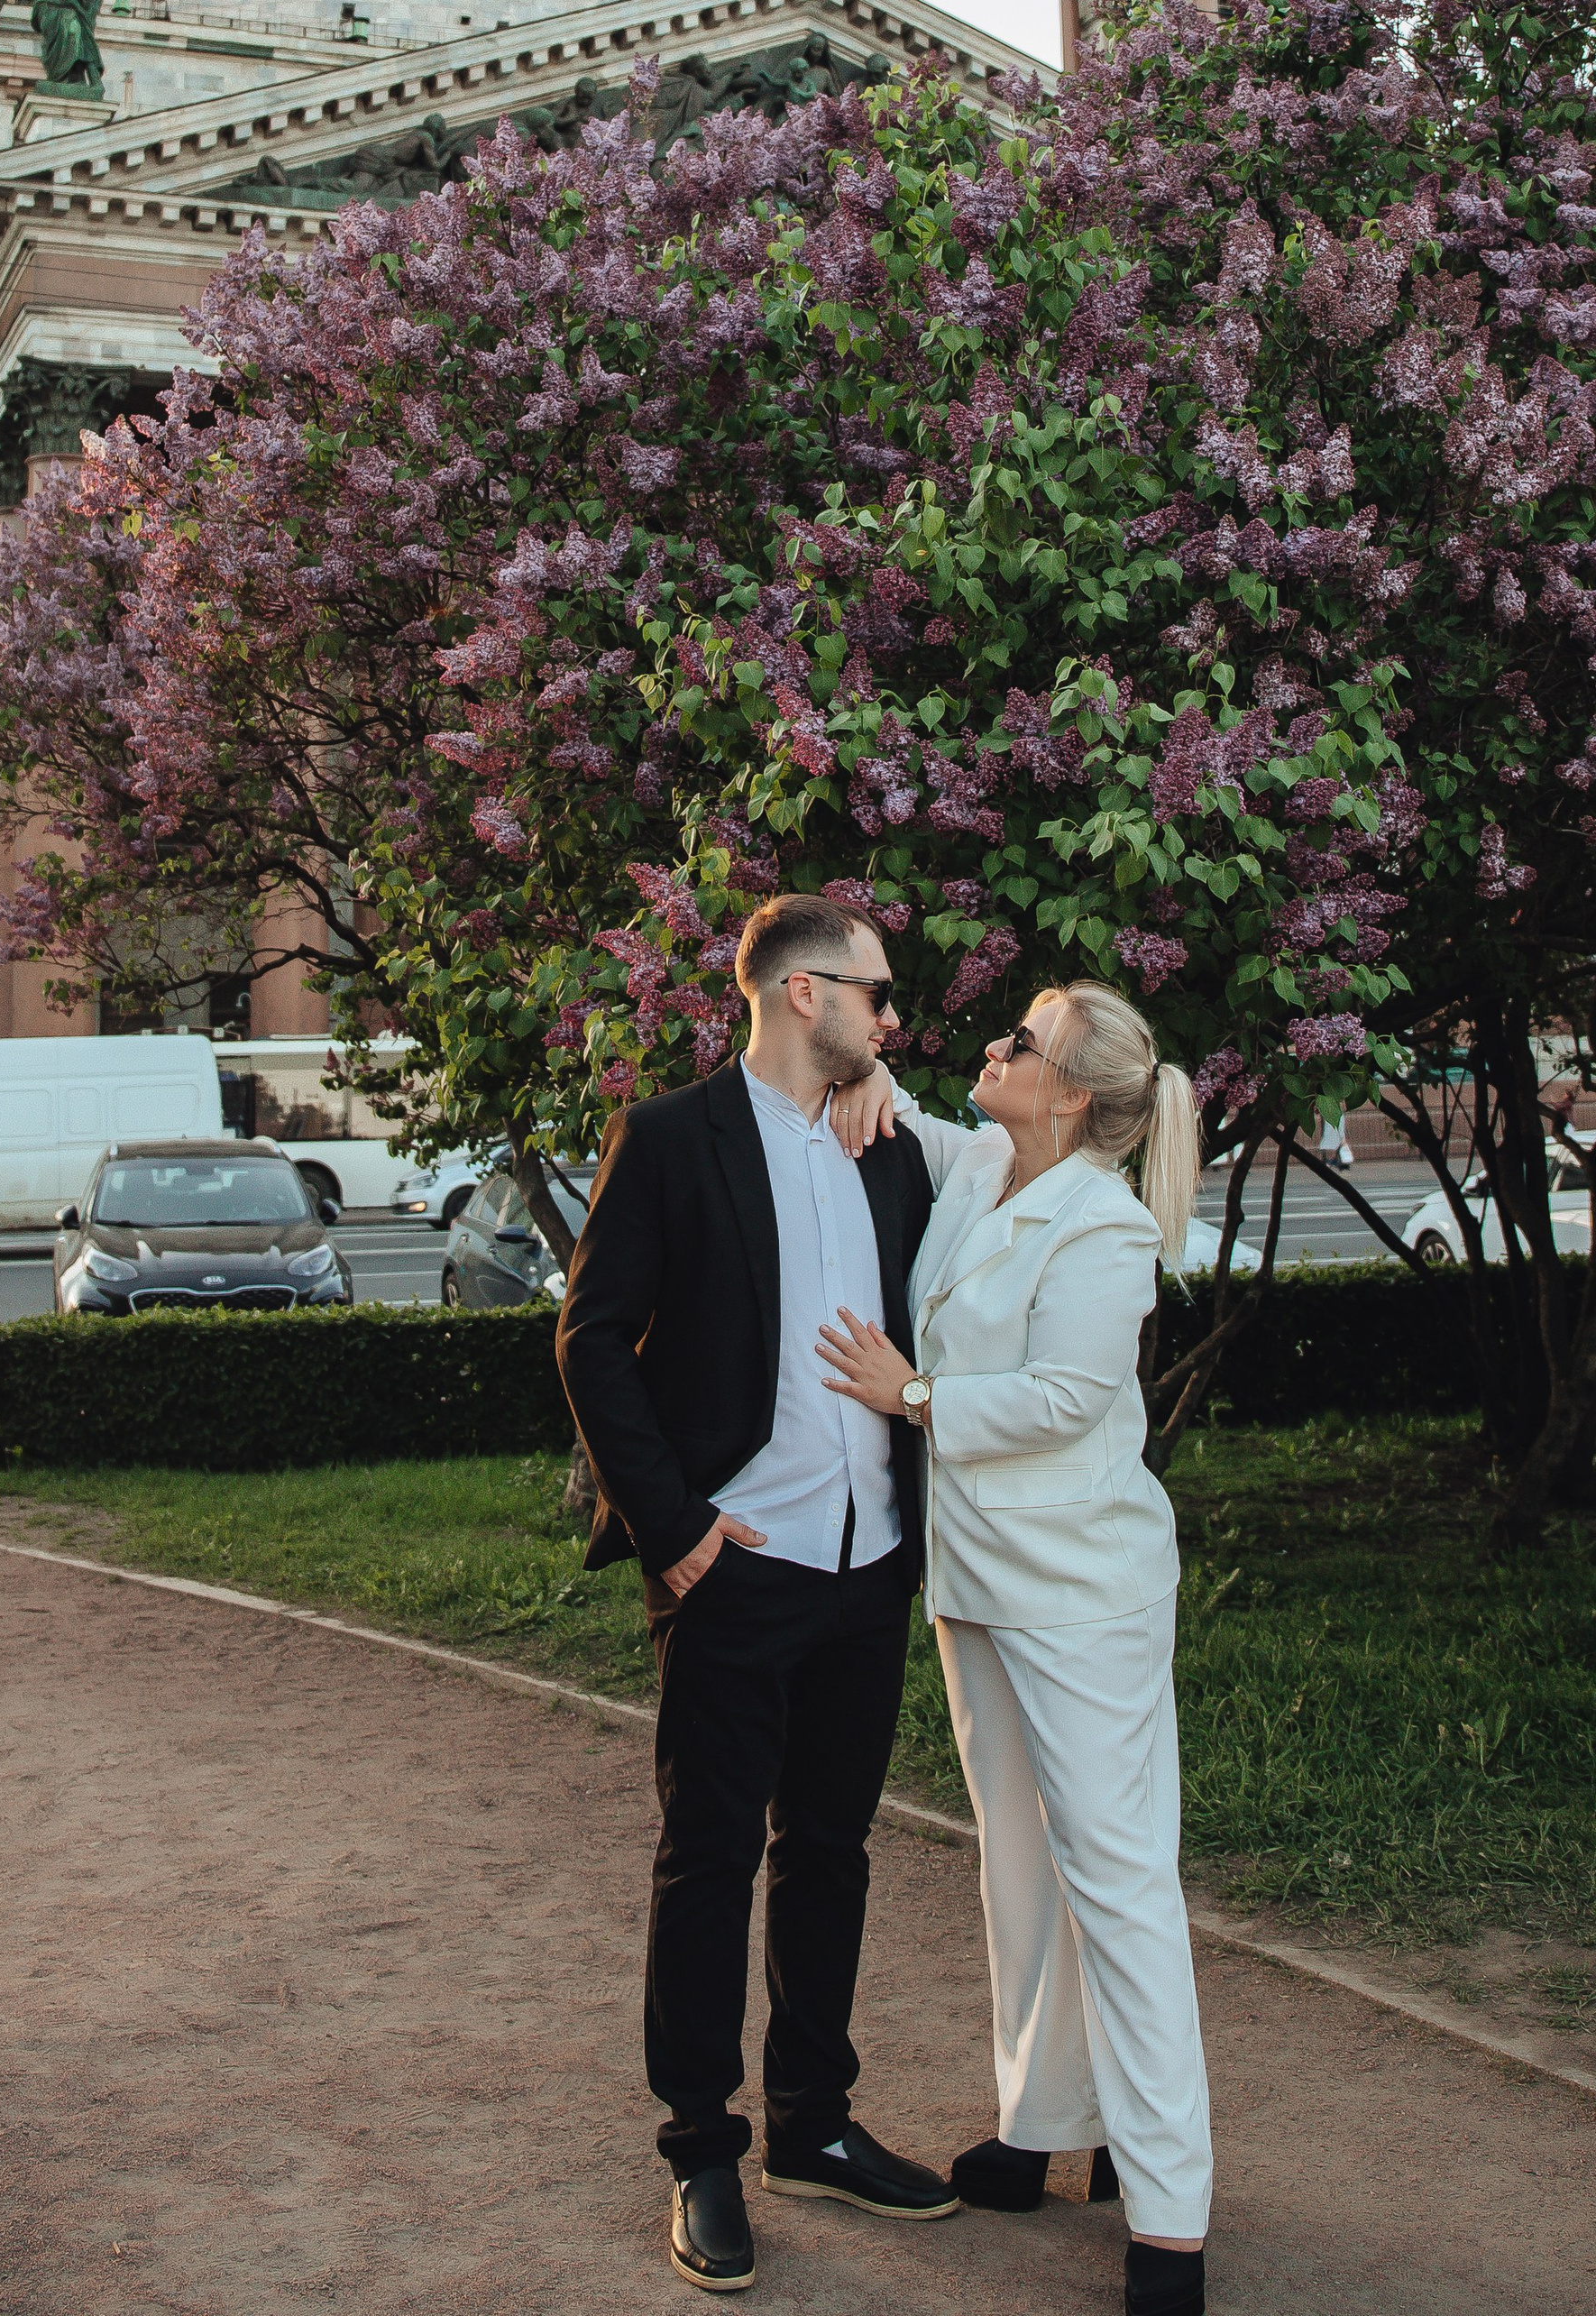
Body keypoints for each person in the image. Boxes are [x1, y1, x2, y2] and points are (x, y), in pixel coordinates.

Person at [556, 896, 960, 2293]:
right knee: (711, 1855)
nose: (890, 1015)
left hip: (868, 1563)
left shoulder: (888, 1146)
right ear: (803, 992)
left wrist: (891, 1094)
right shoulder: (673, 1140)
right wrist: (670, 1528)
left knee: (832, 1849)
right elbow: (592, 1337)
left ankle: (813, 2125)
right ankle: (701, 2151)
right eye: (876, 993)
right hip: (737, 1565)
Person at [822, 980, 1215, 2316]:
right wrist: (871, 1080)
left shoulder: (1104, 1227)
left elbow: (1064, 1398)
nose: (994, 1046)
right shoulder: (986, 1163)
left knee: (1119, 1882)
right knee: (1019, 1868)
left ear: (1076, 1095)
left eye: (1023, 1041)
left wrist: (914, 1393)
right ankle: (1040, 2123)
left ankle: (1169, 2212)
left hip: (1084, 1593)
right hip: (979, 1587)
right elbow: (912, 1122)